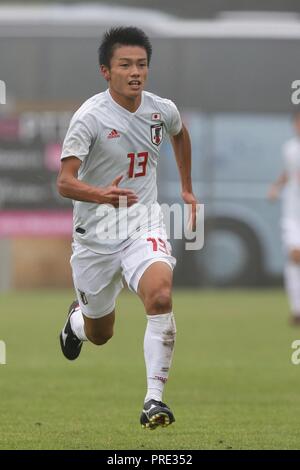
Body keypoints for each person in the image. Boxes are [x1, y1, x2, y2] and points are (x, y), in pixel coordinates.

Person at [57, 26, 198, 429]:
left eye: (141, 64)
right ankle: (77, 324)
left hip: (143, 225)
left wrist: (187, 189)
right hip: (94, 238)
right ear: (106, 71)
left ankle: (154, 401)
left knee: (160, 295)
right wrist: (102, 195)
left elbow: (179, 132)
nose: (135, 72)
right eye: (125, 65)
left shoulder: (160, 109)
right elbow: (64, 182)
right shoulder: (89, 117)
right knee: (102, 333)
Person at [268, 110, 300, 325]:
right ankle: (297, 309)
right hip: (292, 212)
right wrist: (276, 187)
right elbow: (289, 172)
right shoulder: (289, 149)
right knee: (294, 256)